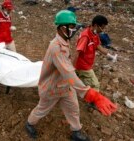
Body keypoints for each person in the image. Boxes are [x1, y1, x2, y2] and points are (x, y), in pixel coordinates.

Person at [25, 10, 117, 141]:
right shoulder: (56, 47)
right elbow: (69, 73)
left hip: (65, 86)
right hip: (52, 88)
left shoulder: (64, 40)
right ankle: (29, 124)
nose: (75, 30)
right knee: (42, 110)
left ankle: (76, 132)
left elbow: (68, 71)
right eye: (73, 27)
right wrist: (91, 94)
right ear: (63, 28)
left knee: (73, 109)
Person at [74, 15, 117, 92]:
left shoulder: (94, 34)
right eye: (102, 28)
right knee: (95, 85)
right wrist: (72, 68)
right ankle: (92, 102)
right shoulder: (85, 36)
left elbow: (97, 46)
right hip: (83, 66)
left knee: (76, 81)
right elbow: (77, 52)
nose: (102, 30)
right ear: (96, 25)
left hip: (86, 64)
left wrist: (109, 55)